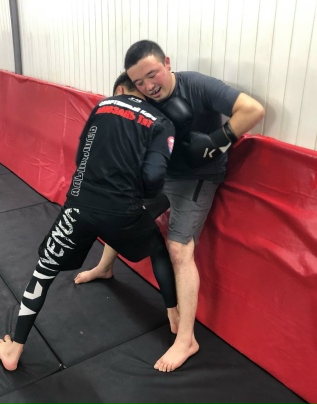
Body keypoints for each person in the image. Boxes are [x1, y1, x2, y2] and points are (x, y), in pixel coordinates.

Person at [76, 40, 265, 372]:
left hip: (199, 175)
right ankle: (105, 267)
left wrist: (214, 143)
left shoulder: (197, 85)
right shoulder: (143, 98)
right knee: (122, 208)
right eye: (140, 82)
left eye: (153, 75)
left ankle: (187, 340)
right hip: (164, 172)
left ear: (166, 62)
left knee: (178, 249)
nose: (149, 86)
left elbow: (253, 110)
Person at [0, 72, 179, 371]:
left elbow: (82, 157)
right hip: (123, 212)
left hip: (80, 208)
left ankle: (14, 349)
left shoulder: (104, 107)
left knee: (43, 272)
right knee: (157, 243)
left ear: (120, 89)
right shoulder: (160, 120)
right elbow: (155, 177)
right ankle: (174, 313)